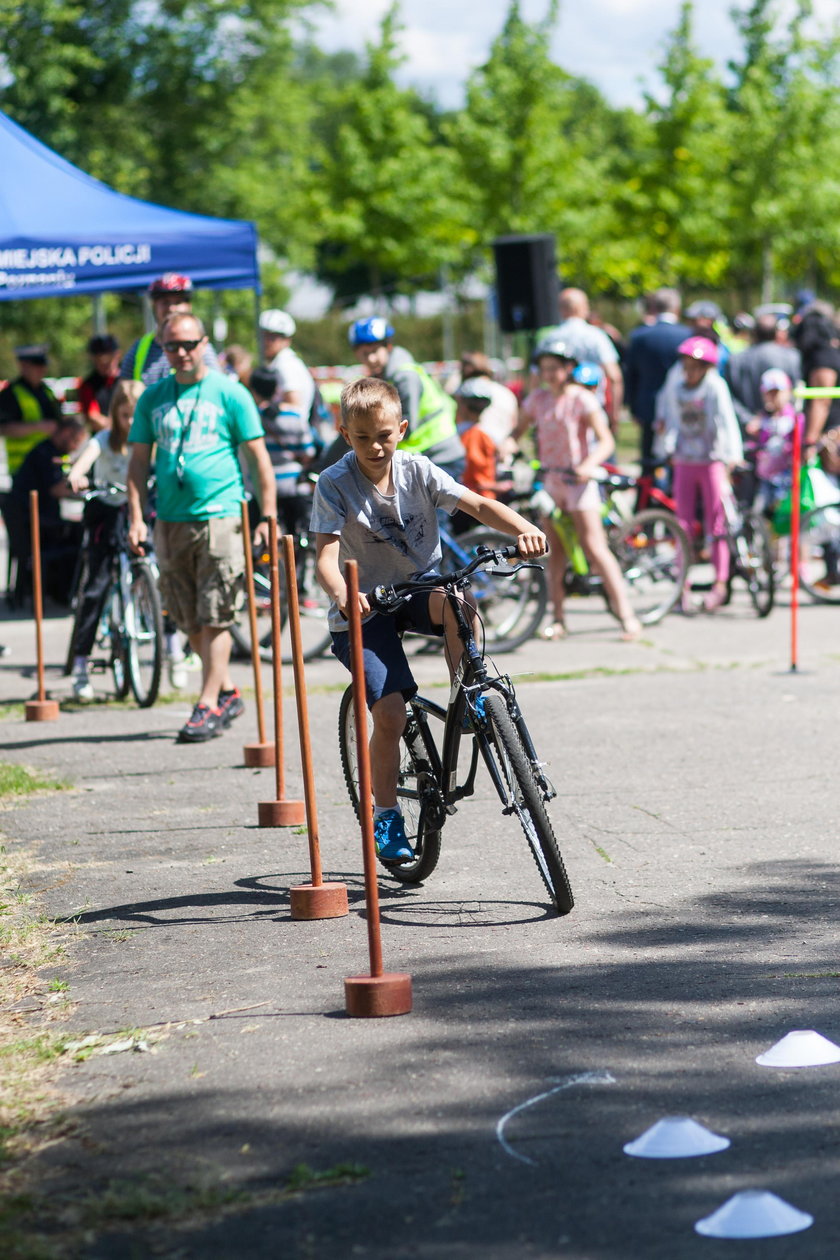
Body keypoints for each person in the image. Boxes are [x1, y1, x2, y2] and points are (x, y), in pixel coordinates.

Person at [311, 376, 546, 863]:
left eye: (384, 435)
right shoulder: (333, 483)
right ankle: (386, 815)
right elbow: (324, 558)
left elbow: (477, 504)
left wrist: (525, 528)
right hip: (366, 607)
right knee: (391, 715)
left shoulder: (417, 470)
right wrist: (343, 594)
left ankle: (471, 694)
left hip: (416, 590)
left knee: (459, 600)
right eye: (361, 438)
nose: (374, 447)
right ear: (344, 433)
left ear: (401, 428)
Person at [126, 313, 276, 743]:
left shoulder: (230, 393)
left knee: (216, 612)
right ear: (163, 347)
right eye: (173, 346)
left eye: (190, 344)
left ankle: (206, 702)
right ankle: (227, 690)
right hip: (169, 520)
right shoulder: (153, 397)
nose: (183, 352)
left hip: (222, 515)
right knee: (186, 614)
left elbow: (258, 460)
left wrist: (267, 516)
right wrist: (137, 517)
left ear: (204, 343)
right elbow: (137, 462)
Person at [515, 338, 641, 643]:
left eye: (555, 368)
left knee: (595, 548)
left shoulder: (582, 399)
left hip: (578, 482)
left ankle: (627, 616)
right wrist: (507, 447)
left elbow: (606, 440)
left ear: (568, 368)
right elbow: (516, 432)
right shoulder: (537, 400)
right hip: (552, 481)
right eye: (544, 368)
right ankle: (558, 619)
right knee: (554, 553)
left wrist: (589, 464)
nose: (549, 374)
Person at [66, 381, 145, 701]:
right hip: (105, 511)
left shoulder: (145, 442)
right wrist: (78, 474)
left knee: (155, 569)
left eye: (136, 417)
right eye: (124, 416)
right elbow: (83, 461)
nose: (130, 423)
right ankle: (81, 664)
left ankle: (171, 645)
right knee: (96, 587)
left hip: (136, 510)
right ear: (115, 414)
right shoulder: (102, 439)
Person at [655, 337, 743, 614]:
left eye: (695, 366)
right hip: (684, 460)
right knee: (682, 523)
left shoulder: (715, 386)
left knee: (717, 522)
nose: (689, 371)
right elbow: (669, 418)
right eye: (686, 365)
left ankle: (720, 583)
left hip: (712, 460)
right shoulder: (675, 386)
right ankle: (683, 585)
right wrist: (666, 448)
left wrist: (732, 454)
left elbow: (726, 420)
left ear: (706, 367)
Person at [348, 318, 466, 483]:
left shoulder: (405, 376)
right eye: (365, 353)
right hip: (423, 457)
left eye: (375, 351)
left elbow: (405, 426)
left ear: (388, 347)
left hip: (440, 456)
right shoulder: (382, 376)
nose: (371, 358)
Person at [6, 416, 87, 604]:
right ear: (66, 433)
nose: (75, 448)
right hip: (32, 526)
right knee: (77, 539)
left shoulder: (49, 451)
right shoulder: (45, 454)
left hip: (38, 521)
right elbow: (56, 489)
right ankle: (63, 595)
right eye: (75, 441)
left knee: (74, 530)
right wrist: (82, 489)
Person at [623, 288, 692, 471]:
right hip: (683, 405)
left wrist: (632, 406)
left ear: (653, 307)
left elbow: (630, 375)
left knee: (649, 457)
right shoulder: (687, 335)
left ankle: (648, 495)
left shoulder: (640, 337)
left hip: (648, 405)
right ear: (677, 308)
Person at [537, 288, 623, 432]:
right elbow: (614, 377)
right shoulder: (597, 336)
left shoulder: (548, 338)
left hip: (557, 413)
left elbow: (536, 379)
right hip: (593, 412)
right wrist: (614, 415)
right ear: (580, 307)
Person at [248, 365, 317, 536]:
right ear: (277, 389)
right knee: (296, 534)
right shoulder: (295, 416)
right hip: (293, 486)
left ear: (253, 390)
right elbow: (309, 452)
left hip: (261, 487)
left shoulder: (251, 418)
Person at [120, 274, 221, 385]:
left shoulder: (199, 347)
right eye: (165, 302)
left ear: (189, 306)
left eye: (178, 302)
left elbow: (217, 388)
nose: (171, 308)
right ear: (154, 307)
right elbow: (123, 392)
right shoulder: (139, 349)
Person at [725, 313, 801, 426]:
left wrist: (748, 420)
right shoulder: (791, 357)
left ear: (754, 333)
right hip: (781, 427)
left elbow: (729, 396)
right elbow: (793, 390)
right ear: (776, 333)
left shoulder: (735, 360)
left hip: (749, 429)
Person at [0, 344, 62, 477]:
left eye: (43, 365)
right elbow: (4, 428)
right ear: (23, 365)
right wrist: (37, 427)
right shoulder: (10, 394)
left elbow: (59, 423)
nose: (42, 369)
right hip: (23, 469)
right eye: (37, 365)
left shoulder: (48, 392)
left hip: (50, 465)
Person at [745, 369, 800, 517]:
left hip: (785, 475)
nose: (774, 398)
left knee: (782, 513)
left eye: (777, 392)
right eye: (769, 393)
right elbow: (758, 440)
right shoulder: (763, 417)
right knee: (762, 513)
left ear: (788, 392)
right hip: (766, 474)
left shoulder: (793, 416)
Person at [450, 378, 500, 533]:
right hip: (478, 497)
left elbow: (475, 470)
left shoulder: (473, 435)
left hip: (471, 498)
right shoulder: (484, 432)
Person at [457, 351, 518, 456]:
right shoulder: (506, 393)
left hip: (477, 458)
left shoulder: (468, 391)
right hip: (503, 456)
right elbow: (514, 424)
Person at [258, 310, 315, 421]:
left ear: (287, 340)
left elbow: (295, 405)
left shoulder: (286, 365)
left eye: (272, 338)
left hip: (292, 434)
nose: (266, 341)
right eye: (264, 336)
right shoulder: (280, 362)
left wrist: (268, 407)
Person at [78, 334, 121, 431]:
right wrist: (119, 428)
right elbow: (93, 416)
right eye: (98, 361)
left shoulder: (128, 379)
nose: (103, 365)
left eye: (108, 361)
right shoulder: (88, 385)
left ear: (117, 355)